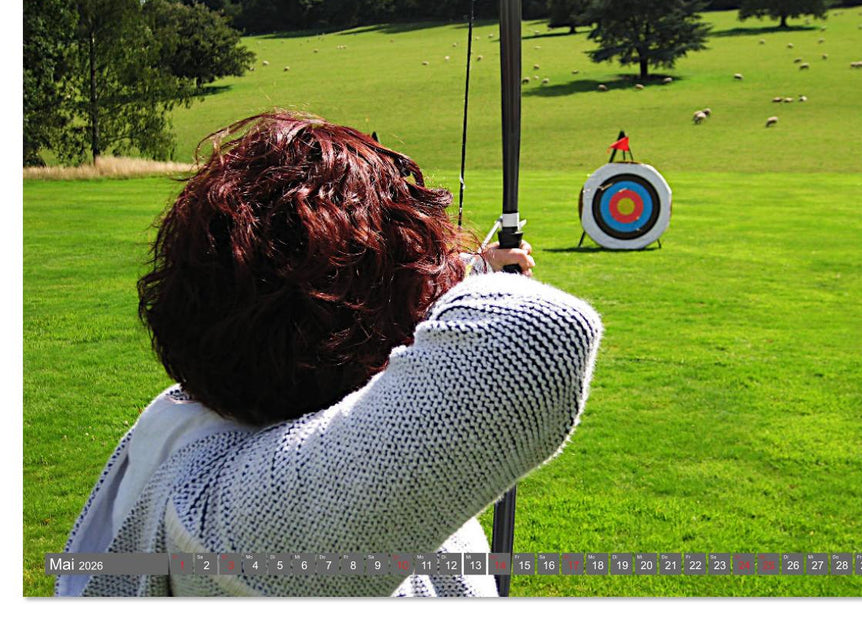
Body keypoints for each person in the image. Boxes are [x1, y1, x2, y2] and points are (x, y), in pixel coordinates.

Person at [56, 110, 603, 597]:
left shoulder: (194, 417)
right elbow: (542, 335)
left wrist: (460, 272)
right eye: (416, 284)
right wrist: (456, 279)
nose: (433, 298)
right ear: (348, 319)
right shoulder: (234, 521)